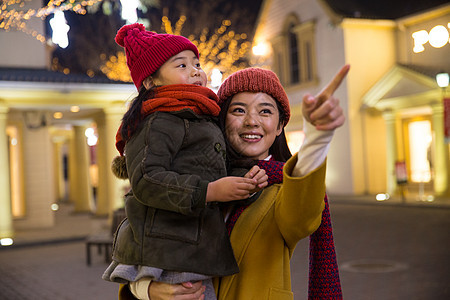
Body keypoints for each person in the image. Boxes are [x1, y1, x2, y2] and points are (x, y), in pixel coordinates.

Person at [120, 65, 350, 299]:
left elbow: (303, 215)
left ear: (280, 126)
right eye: (239, 110)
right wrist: (146, 289)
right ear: (221, 121)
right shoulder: (191, 183)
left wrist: (317, 138)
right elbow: (140, 242)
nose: (251, 121)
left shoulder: (282, 190)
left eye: (265, 111)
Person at [102, 23, 268, 300]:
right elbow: (147, 180)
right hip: (170, 252)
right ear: (151, 81)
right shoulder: (159, 120)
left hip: (192, 248)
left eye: (197, 63)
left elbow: (210, 167)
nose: (195, 71)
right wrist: (210, 191)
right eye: (181, 65)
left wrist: (245, 179)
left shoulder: (200, 116)